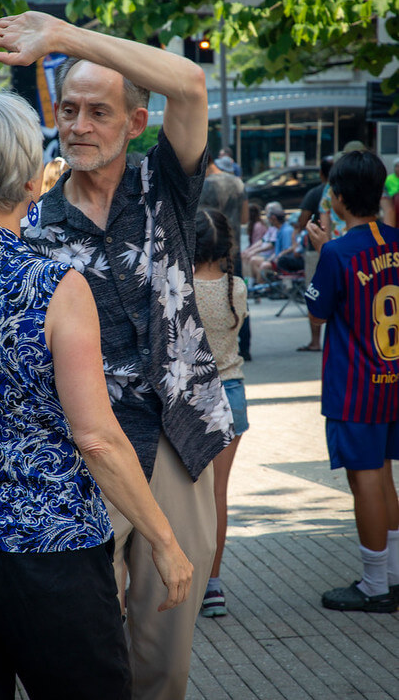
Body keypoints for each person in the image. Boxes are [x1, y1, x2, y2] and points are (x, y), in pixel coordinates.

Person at [0, 10, 235, 700]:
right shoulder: (30, 220)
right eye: (68, 109)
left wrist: (63, 36)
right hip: (76, 467)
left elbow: (191, 85)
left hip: (177, 436)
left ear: (134, 121)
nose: (77, 124)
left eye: (97, 110)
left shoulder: (164, 183)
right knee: (86, 646)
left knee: (164, 658)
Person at [305, 149, 399, 613]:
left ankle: (375, 584)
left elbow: (317, 313)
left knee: (364, 482)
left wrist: (324, 250)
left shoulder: (339, 251)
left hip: (356, 388)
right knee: (383, 475)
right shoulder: (398, 241)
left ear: (338, 198)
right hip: (393, 380)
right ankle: (393, 574)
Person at [193, 208, 249, 616]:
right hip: (232, 393)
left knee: (184, 494)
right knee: (218, 495)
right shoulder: (238, 287)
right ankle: (213, 585)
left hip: (192, 397)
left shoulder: (178, 287)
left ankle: (183, 578)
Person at [200, 153, 251, 360]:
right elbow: (245, 217)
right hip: (232, 248)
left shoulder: (201, 186)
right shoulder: (237, 182)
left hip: (206, 250)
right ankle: (244, 347)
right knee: (236, 294)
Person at [296, 155, 334, 352]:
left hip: (317, 248)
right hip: (343, 248)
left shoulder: (316, 192)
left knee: (314, 292)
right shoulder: (346, 191)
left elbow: (302, 221)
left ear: (321, 174)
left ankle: (315, 340)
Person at [251, 202, 293, 281]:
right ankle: (259, 284)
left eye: (269, 218)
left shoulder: (286, 231)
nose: (267, 220)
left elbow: (287, 249)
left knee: (264, 266)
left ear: (273, 218)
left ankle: (263, 288)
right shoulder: (278, 230)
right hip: (276, 258)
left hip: (284, 261)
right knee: (254, 261)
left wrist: (276, 258)